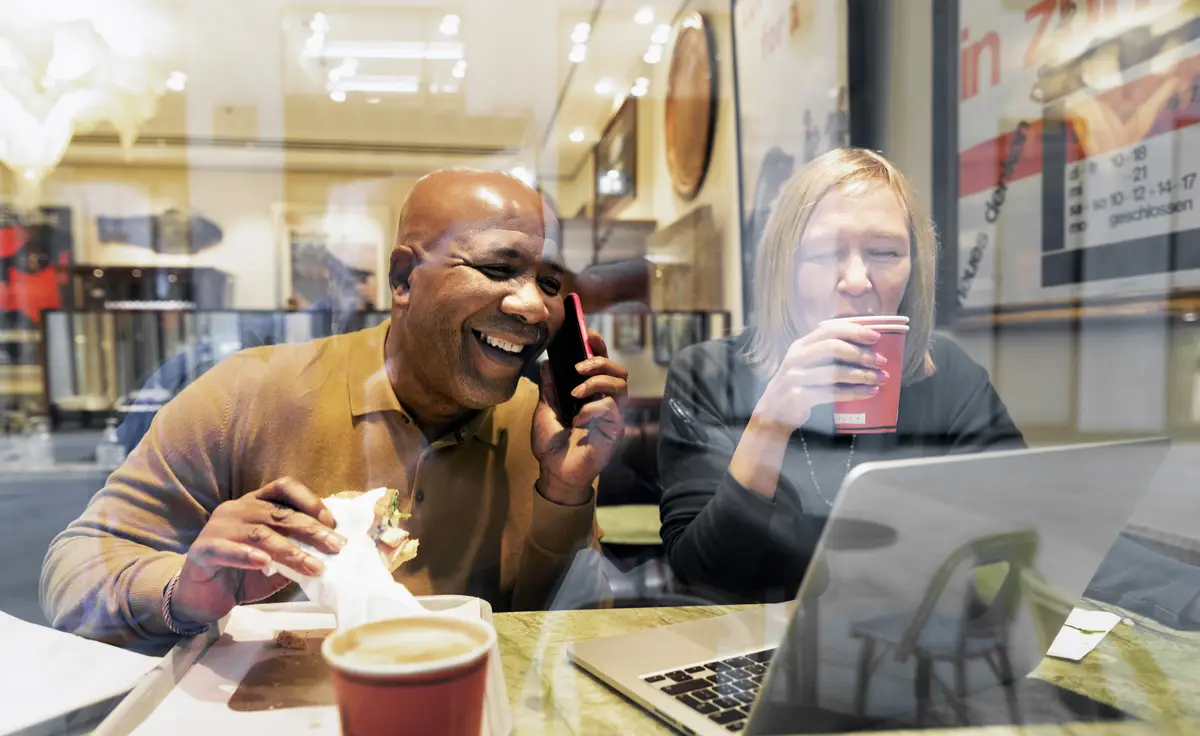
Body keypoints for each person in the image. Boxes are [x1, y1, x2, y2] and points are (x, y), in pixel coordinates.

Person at [41, 169, 628, 645]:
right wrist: (183, 591)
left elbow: (568, 642)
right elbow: (73, 567)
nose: (531, 306)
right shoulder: (248, 393)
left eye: (549, 283)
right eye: (498, 269)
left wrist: (565, 491)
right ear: (403, 277)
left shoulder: (544, 427)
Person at [657, 149, 1022, 602]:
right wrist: (769, 423)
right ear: (784, 268)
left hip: (905, 648)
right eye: (826, 253)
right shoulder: (708, 375)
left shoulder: (948, 374)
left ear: (914, 268)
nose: (855, 280)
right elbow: (699, 576)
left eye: (885, 252)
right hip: (751, 648)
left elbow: (1026, 529)